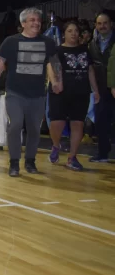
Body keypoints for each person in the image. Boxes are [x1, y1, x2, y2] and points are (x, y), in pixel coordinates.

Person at [0, 7, 61, 177]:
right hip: (15, 93)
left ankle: (30, 161)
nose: (36, 23)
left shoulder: (48, 43)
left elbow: (54, 64)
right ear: (23, 23)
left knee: (34, 130)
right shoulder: (10, 42)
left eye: (38, 20)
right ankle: (14, 163)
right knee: (15, 126)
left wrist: (57, 81)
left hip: (37, 95)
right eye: (32, 20)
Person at [48, 21, 99, 170]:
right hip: (61, 92)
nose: (74, 33)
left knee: (78, 124)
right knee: (57, 123)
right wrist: (56, 83)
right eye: (70, 31)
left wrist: (95, 90)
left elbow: (90, 71)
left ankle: (72, 158)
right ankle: (56, 145)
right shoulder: (57, 50)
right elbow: (52, 67)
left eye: (76, 31)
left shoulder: (84, 50)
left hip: (81, 92)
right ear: (64, 34)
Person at [89, 13, 114, 162]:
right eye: (99, 23)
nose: (102, 26)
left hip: (114, 86)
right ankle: (103, 153)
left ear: (111, 24)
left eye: (105, 23)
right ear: (96, 26)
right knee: (100, 122)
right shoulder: (92, 44)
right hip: (100, 88)